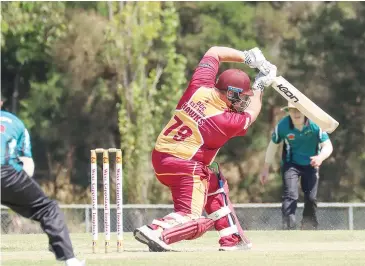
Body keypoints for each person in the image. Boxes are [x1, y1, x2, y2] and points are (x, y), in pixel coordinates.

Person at [133, 46, 277, 251]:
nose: (245, 101)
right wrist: (261, 85)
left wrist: (247, 57)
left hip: (162, 157)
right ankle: (156, 230)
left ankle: (231, 238)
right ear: (232, 94)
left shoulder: (199, 87)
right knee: (191, 218)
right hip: (185, 165)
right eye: (243, 97)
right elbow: (252, 113)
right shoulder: (224, 120)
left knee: (214, 184)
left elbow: (214, 52)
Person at [0, 100, 85, 266]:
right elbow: (28, 167)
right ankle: (69, 259)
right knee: (48, 209)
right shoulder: (16, 123)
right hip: (7, 174)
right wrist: (19, 192)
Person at [260, 102, 333, 230]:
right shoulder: (282, 126)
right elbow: (272, 146)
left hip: (312, 163)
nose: (296, 113)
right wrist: (266, 168)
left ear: (305, 111)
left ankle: (309, 225)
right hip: (291, 164)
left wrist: (320, 158)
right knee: (290, 194)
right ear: (288, 111)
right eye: (292, 110)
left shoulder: (315, 125)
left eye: (299, 110)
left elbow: (328, 145)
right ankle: (288, 227)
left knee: (311, 197)